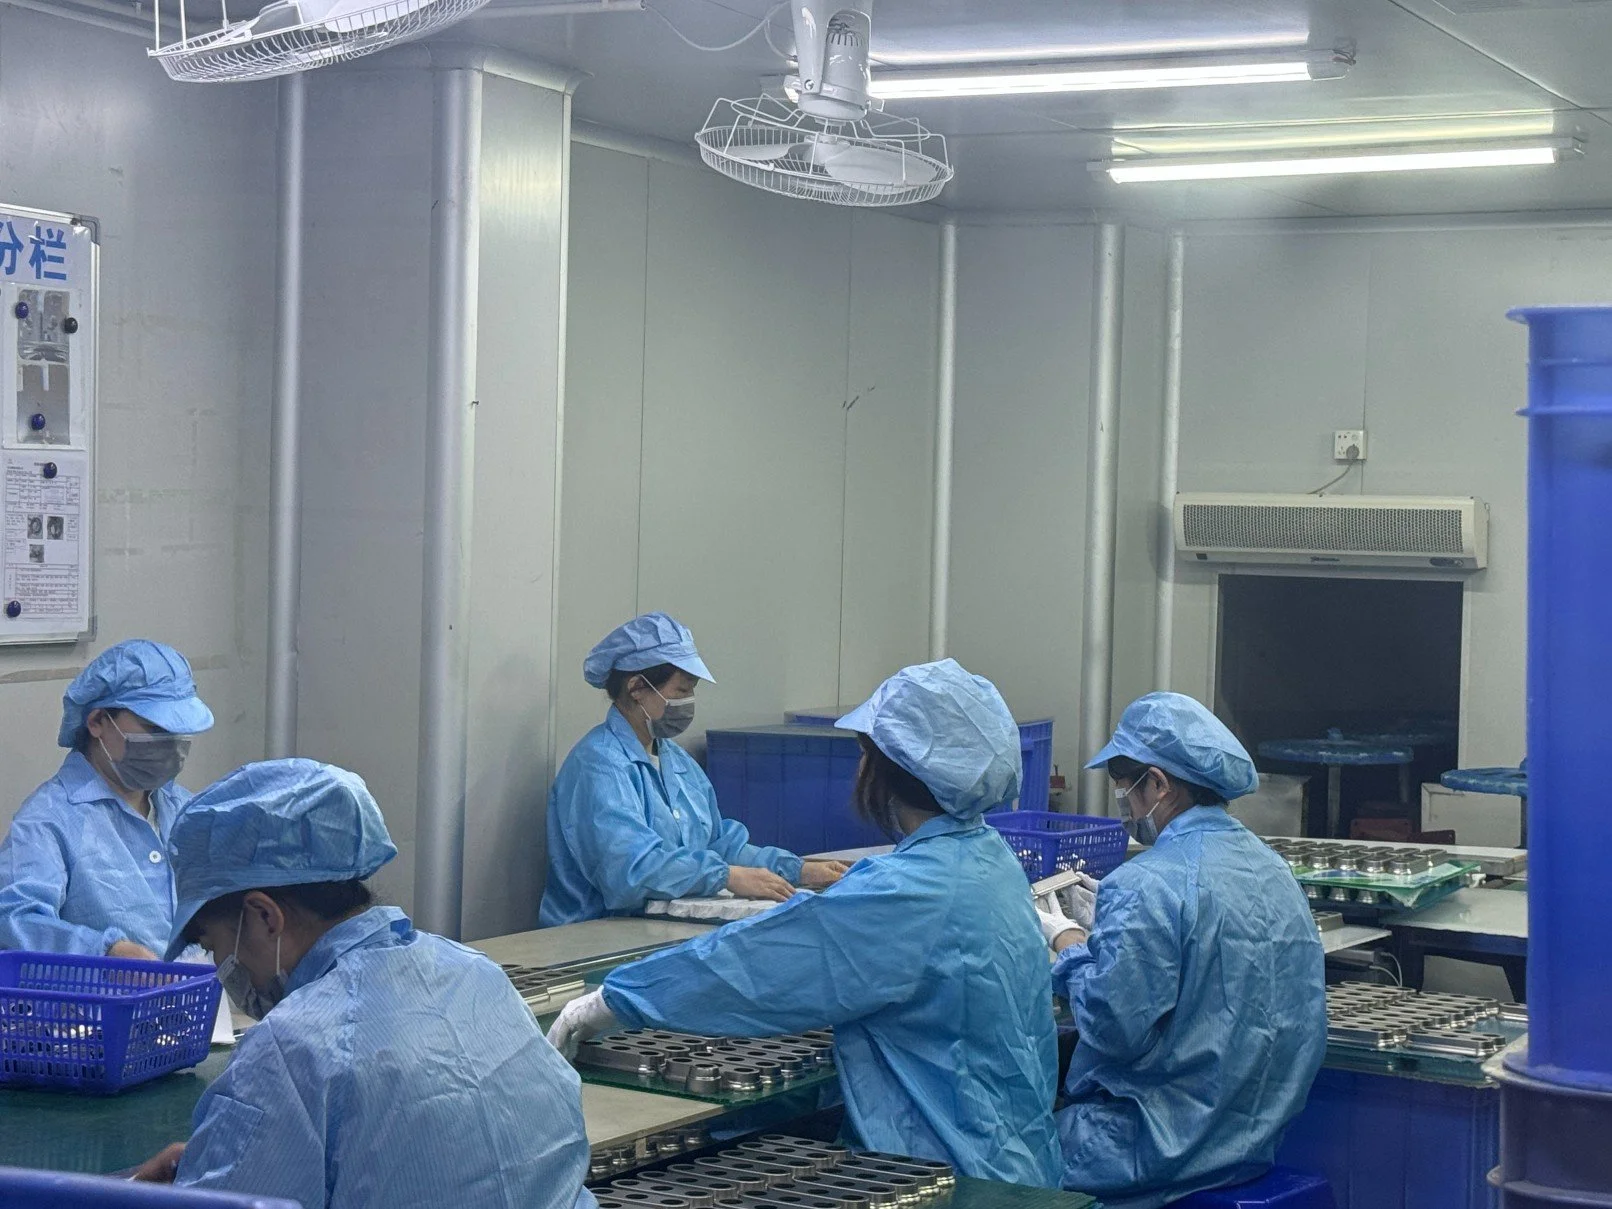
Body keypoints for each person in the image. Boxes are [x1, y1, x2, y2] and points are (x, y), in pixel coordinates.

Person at [548, 659, 1063, 1187]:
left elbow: (757, 964)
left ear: (893, 769)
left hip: (941, 1172)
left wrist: (617, 998)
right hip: (1019, 1159)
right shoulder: (989, 859)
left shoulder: (905, 892)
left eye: (866, 753)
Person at [132, 758, 594, 1209]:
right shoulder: (475, 973)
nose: (221, 967)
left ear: (264, 916)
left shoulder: (292, 1048)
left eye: (211, 945)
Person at [1037, 693, 1326, 1209]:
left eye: (1125, 785)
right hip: (1251, 1141)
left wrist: (1069, 944)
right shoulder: (1273, 870)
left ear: (1159, 783)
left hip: (1155, 1148)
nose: (1123, 800)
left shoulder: (1148, 883)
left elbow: (1111, 1027)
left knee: (994, 1156)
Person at [541, 612, 846, 926]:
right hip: (596, 934)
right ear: (636, 687)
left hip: (660, 930)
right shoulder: (600, 766)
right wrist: (724, 876)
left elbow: (719, 844)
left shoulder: (677, 762)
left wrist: (796, 869)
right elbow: (629, 870)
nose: (688, 702)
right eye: (680, 691)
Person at [0, 639, 213, 957]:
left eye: (179, 731)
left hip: (199, 999)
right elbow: (14, 921)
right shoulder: (48, 820)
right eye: (155, 728)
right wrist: (106, 952)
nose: (170, 745)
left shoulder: (183, 808)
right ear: (97, 721)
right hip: (102, 1004)